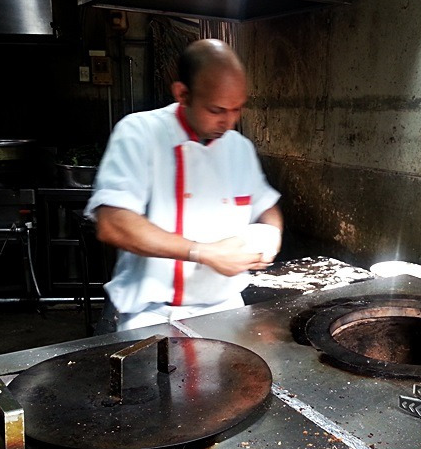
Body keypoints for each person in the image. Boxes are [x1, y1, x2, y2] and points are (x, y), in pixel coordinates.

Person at [84, 39, 282, 333]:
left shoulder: (238, 148)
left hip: (226, 312)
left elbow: (267, 206)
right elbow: (113, 223)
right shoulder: (140, 133)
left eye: (237, 109)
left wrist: (271, 235)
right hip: (152, 316)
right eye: (217, 110)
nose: (229, 122)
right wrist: (205, 252)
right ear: (183, 94)